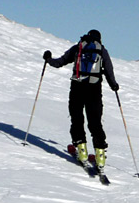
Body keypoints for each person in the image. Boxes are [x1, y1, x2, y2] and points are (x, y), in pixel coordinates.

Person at [43, 30, 120, 168]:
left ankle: (82, 151)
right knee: (95, 121)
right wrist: (113, 85)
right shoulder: (101, 50)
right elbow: (108, 70)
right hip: (94, 89)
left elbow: (60, 62)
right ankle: (100, 156)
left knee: (77, 117)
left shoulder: (78, 47)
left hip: (77, 87)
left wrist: (48, 59)